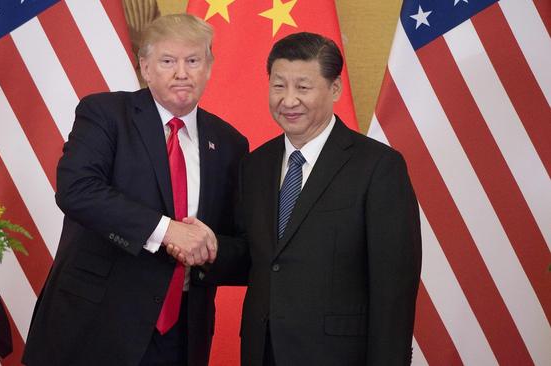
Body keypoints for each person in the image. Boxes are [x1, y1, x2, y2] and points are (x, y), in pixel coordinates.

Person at [173, 32, 421, 365]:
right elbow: (257, 257)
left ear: (334, 89)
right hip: (263, 351)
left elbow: (394, 288)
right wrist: (206, 248)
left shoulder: (378, 166)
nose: (289, 101)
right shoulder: (255, 164)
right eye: (279, 86)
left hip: (339, 355)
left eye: (303, 87)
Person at [22, 14, 249, 366]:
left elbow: (241, 244)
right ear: (145, 66)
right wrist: (166, 230)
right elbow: (77, 190)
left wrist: (212, 246)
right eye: (168, 61)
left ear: (209, 66)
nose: (182, 73)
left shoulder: (231, 143)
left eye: (193, 61)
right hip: (95, 325)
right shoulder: (105, 113)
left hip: (182, 336)